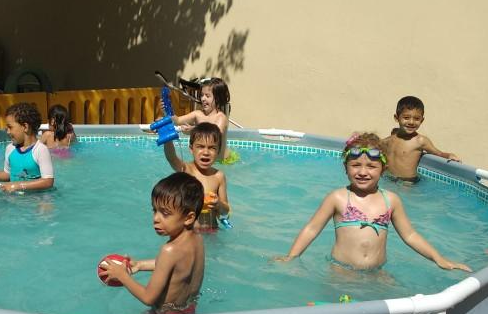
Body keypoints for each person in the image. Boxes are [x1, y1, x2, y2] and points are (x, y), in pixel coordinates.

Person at [274, 132, 471, 272]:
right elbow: (312, 229)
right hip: (342, 272)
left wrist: (439, 258)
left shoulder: (391, 200)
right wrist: (291, 257)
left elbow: (410, 235)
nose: (362, 172)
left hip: (377, 273)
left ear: (383, 170)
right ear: (345, 168)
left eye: (371, 166)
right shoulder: (338, 197)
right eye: (355, 165)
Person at [100, 172, 206, 314]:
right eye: (155, 210)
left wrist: (122, 276)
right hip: (187, 312)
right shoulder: (197, 237)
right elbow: (176, 268)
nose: (156, 218)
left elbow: (148, 298)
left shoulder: (169, 250)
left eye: (165, 213)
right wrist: (140, 265)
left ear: (188, 218)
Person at [0, 102, 54, 193]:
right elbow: (8, 174)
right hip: (14, 197)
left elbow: (48, 181)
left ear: (25, 127)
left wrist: (17, 186)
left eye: (10, 127)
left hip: (36, 198)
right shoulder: (10, 149)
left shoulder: (40, 150)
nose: (8, 132)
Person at [162, 122, 230, 231]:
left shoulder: (219, 176)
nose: (206, 152)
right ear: (191, 149)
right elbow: (172, 158)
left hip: (212, 230)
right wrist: (167, 139)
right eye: (200, 147)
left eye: (212, 148)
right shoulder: (186, 170)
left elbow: (225, 211)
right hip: (190, 231)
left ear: (218, 151)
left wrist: (218, 204)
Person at [382, 96, 461, 183]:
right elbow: (378, 145)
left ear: (422, 120)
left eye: (416, 119)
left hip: (407, 182)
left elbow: (438, 153)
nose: (411, 122)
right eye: (406, 117)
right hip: (389, 178)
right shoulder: (391, 139)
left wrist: (449, 155)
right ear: (396, 118)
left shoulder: (420, 140)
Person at [172, 77, 236, 162]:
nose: (203, 99)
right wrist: (167, 111)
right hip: (206, 159)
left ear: (217, 98)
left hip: (222, 161)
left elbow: (214, 136)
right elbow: (177, 121)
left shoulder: (221, 118)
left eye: (207, 96)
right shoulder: (197, 114)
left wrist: (193, 130)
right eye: (202, 95)